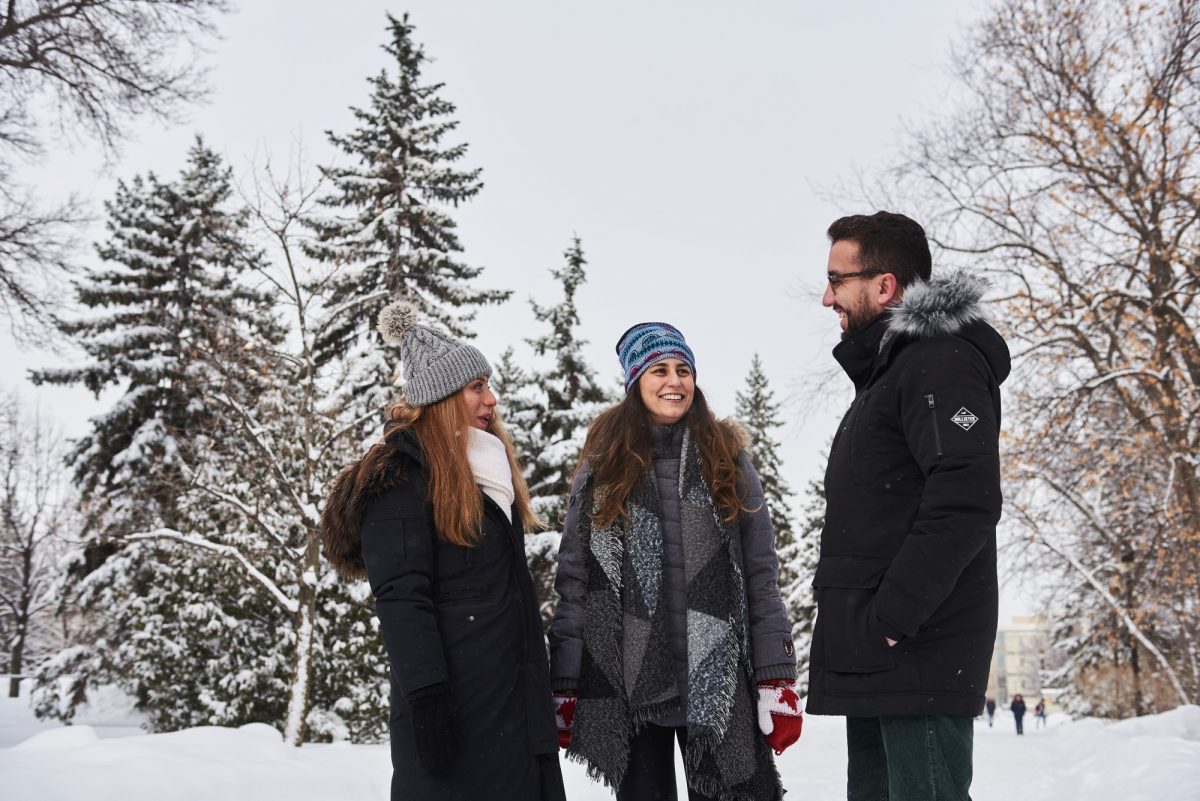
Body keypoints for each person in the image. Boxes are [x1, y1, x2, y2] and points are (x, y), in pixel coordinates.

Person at [320, 300, 566, 801]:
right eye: (477, 388)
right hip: (455, 707)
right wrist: (429, 699)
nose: (492, 400)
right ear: (446, 397)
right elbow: (402, 598)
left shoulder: (487, 473)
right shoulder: (402, 480)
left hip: (511, 701)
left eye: (488, 386)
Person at [548, 322, 803, 801]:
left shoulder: (726, 458)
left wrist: (776, 674)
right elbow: (576, 582)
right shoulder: (603, 467)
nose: (675, 381)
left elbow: (760, 576)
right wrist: (565, 680)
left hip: (720, 683)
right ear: (634, 383)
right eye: (659, 369)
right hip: (631, 688)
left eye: (683, 369)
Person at [805, 212, 1010, 800]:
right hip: (881, 659)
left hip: (915, 656)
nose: (827, 298)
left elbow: (966, 497)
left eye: (837, 280)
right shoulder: (892, 373)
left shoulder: (938, 361)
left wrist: (893, 618)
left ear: (884, 285)